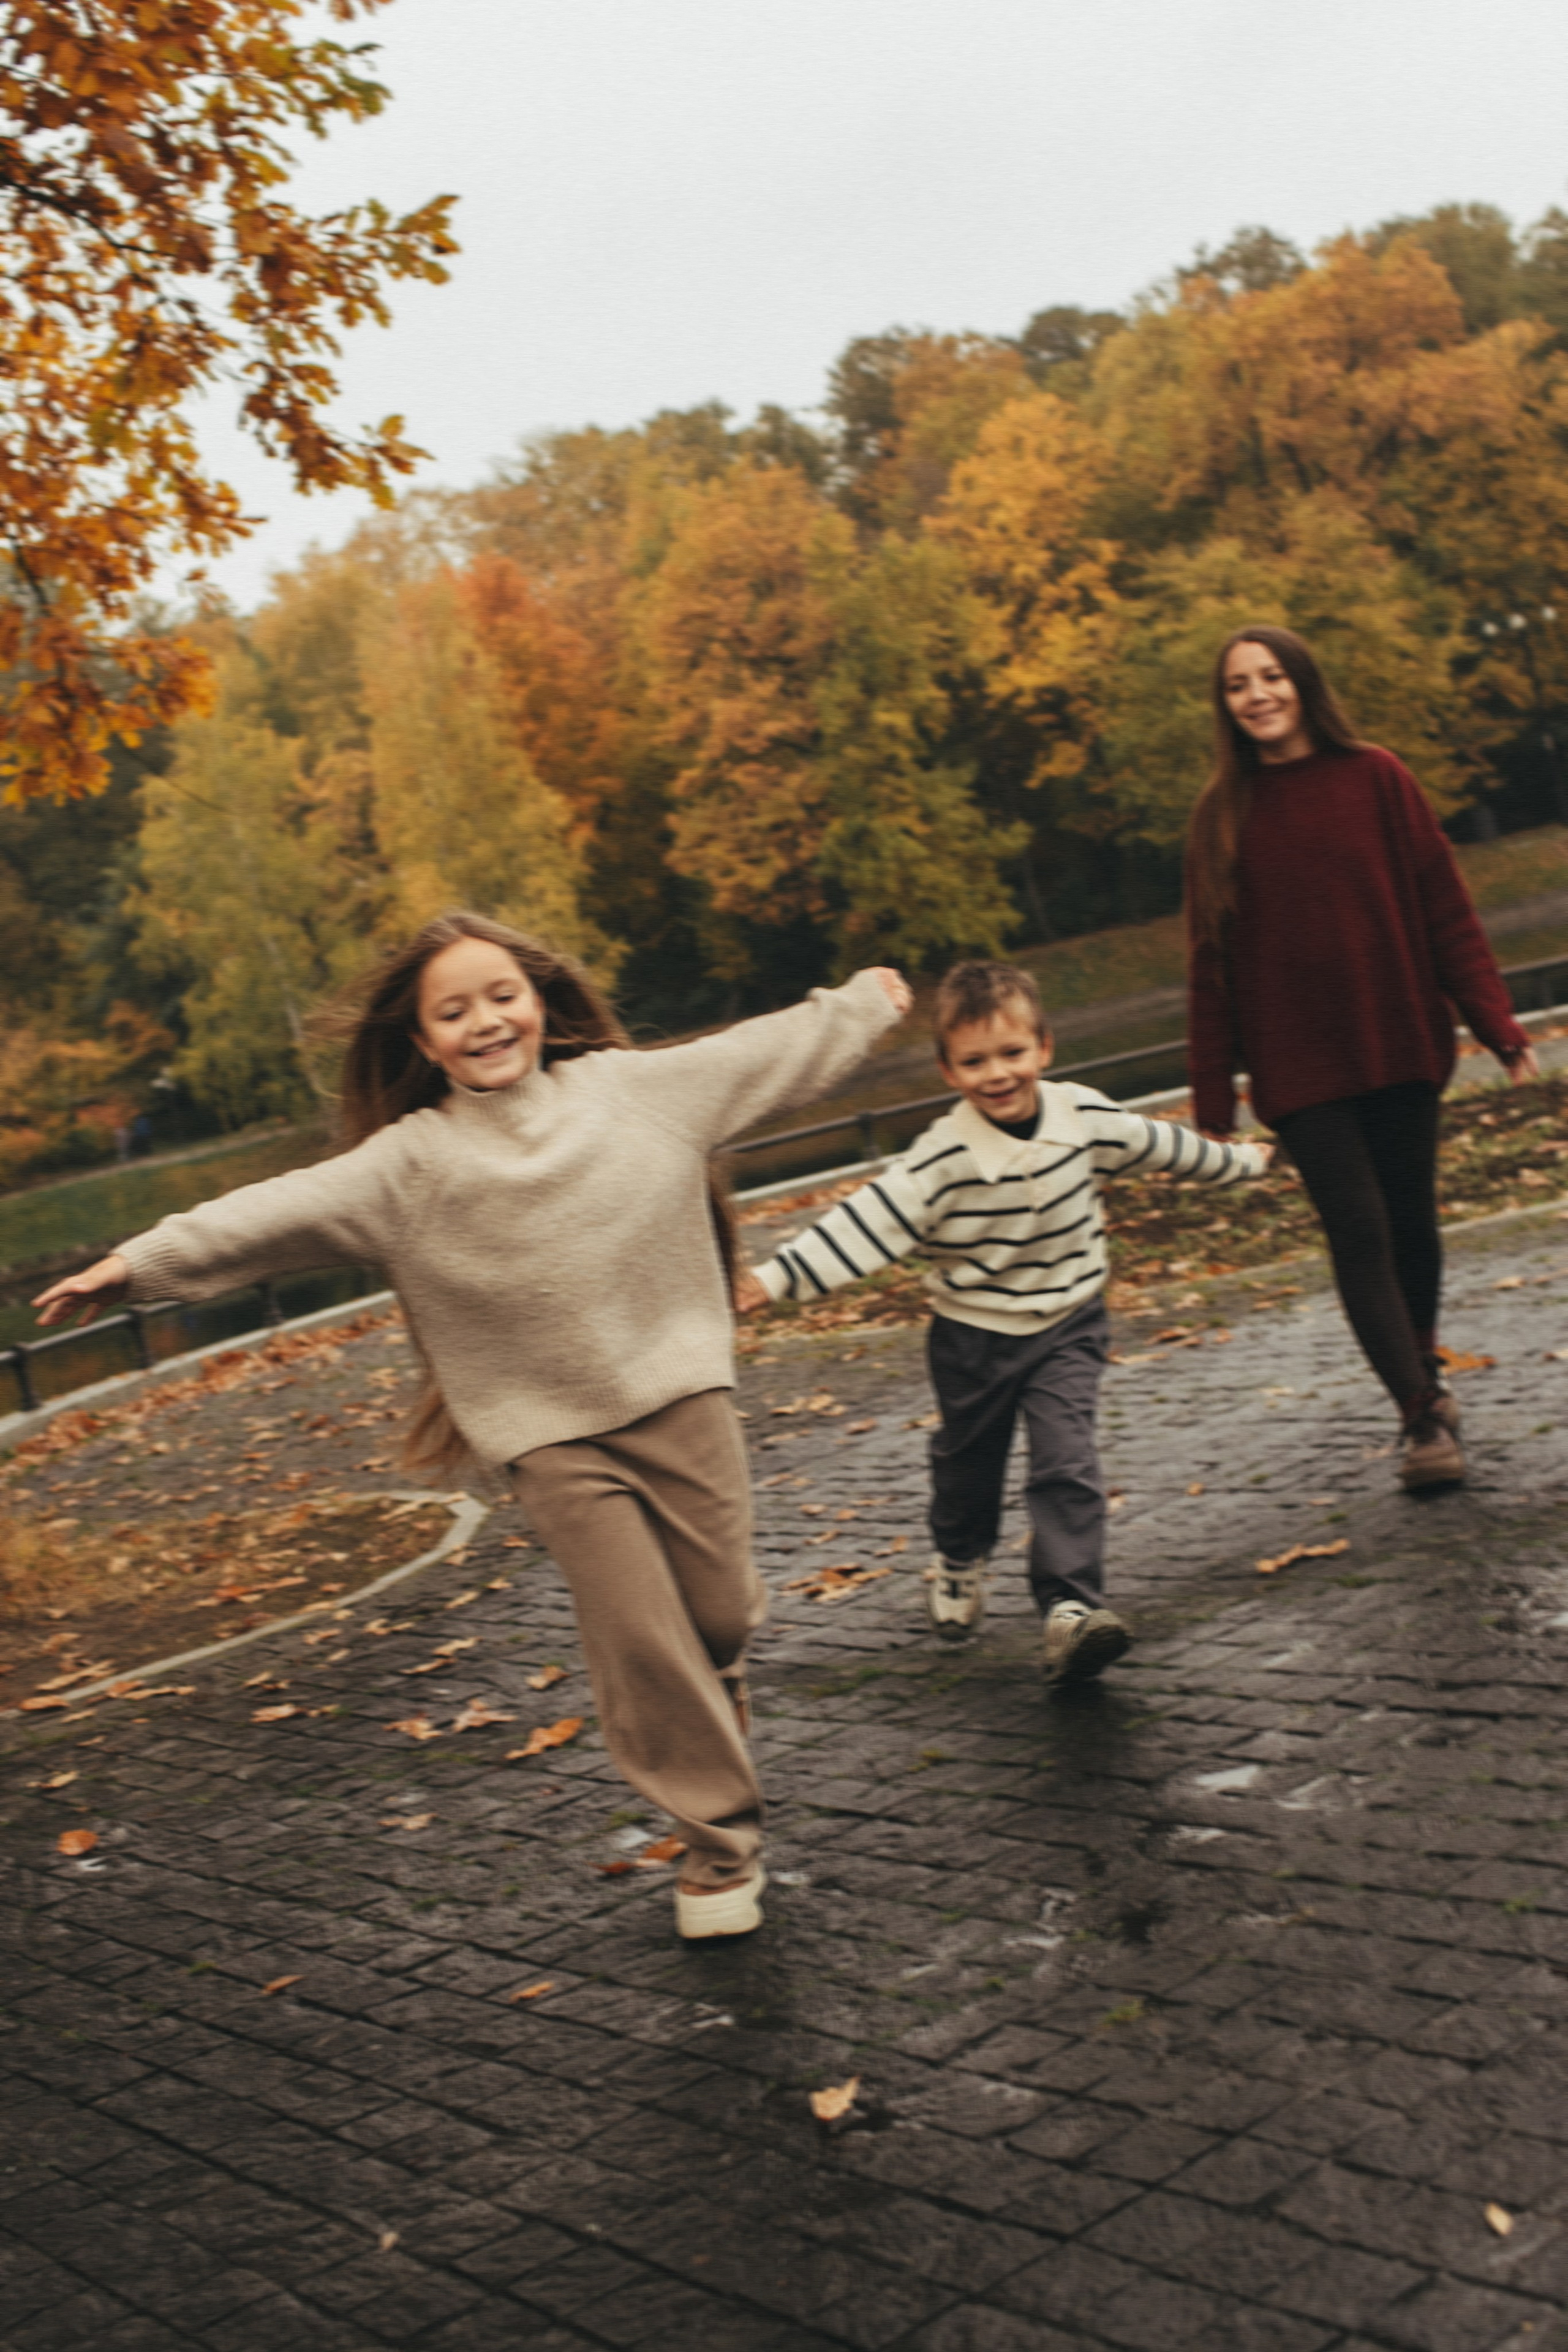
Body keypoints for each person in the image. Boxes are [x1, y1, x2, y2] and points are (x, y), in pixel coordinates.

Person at [34, 911, 911, 1942]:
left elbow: (764, 1053)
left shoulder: (638, 1094)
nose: (485, 1022)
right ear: (421, 1042)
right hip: (550, 1439)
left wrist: (863, 1005)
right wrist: (136, 1265)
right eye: (453, 1011)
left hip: (682, 1401)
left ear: (539, 1001)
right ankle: (721, 1848)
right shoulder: (407, 1168)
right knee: (641, 1638)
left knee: (718, 1621)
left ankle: (707, 1709)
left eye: (502, 996)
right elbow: (271, 1214)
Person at [737, 960, 1271, 1684]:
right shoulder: (942, 1156)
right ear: (948, 1070)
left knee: (1066, 1460)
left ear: (1043, 1049)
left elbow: (1160, 1145)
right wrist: (770, 1280)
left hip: (1068, 1323)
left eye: (1012, 1053)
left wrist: (1241, 1161)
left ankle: (1071, 1608)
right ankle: (959, 1560)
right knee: (968, 1467)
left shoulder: (1081, 1115)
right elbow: (868, 1222)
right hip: (972, 1337)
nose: (997, 1073)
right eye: (975, 1061)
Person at [1186, 627, 1538, 1490]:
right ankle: (1419, 1416)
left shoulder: (1378, 778)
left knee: (1412, 1226)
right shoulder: (1219, 818)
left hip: (1399, 1037)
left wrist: (1497, 1024)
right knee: (1360, 1231)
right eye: (1239, 685)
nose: (1258, 694)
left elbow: (1444, 908)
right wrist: (1212, 1111)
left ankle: (1420, 1367)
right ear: (1225, 705)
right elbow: (1210, 964)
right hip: (1300, 1068)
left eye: (1271, 676)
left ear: (1303, 683)